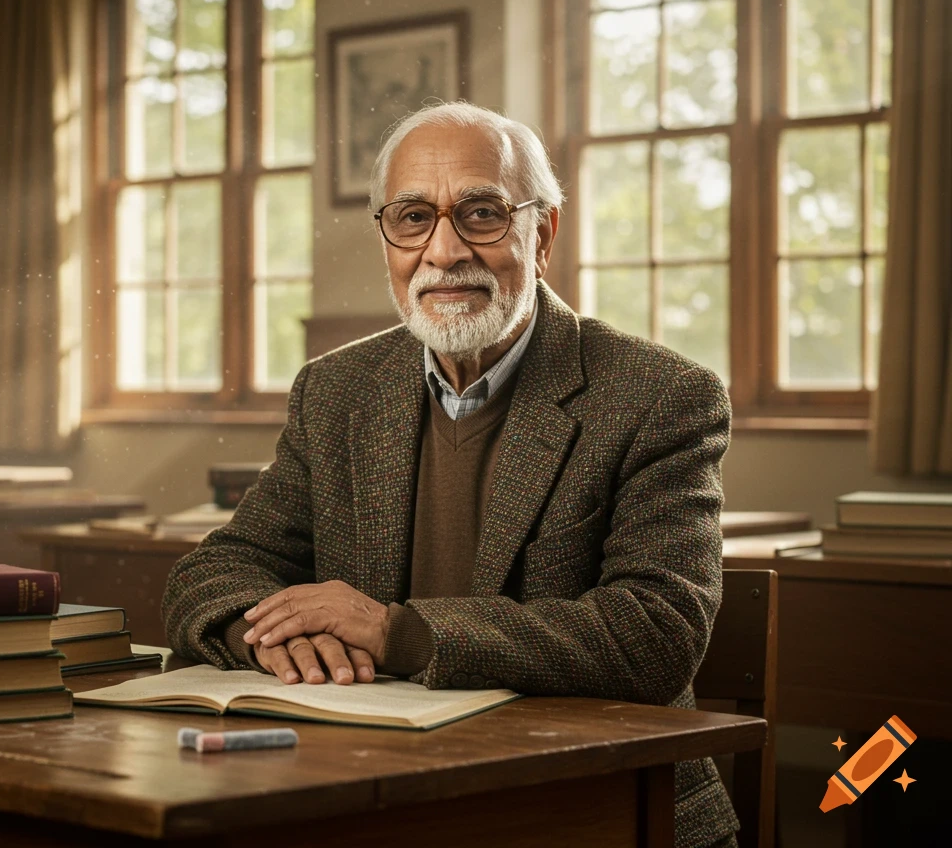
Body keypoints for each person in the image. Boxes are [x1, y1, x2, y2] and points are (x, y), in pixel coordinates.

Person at [161, 101, 739, 848]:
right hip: (383, 794)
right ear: (387, 240)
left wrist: (396, 633)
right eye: (412, 218)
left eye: (481, 213)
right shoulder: (336, 391)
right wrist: (266, 633)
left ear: (542, 237)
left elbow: (654, 634)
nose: (443, 250)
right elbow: (219, 567)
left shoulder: (660, 394)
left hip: (592, 808)